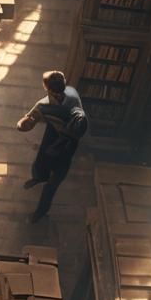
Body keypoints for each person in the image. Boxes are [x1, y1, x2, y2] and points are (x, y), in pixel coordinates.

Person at [16, 70, 87, 223]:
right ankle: (39, 177)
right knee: (42, 159)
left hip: (67, 139)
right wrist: (24, 123)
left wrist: (23, 125)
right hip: (54, 132)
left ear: (47, 88)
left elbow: (31, 119)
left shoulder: (48, 105)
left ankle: (40, 212)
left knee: (54, 181)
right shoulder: (69, 93)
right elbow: (30, 118)